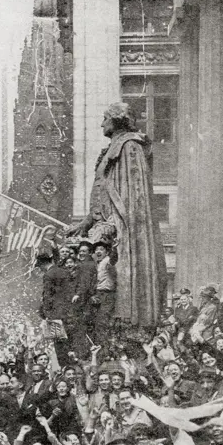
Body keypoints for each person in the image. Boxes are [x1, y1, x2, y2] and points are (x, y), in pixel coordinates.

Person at [67, 102, 167, 328]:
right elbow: (102, 189)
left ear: (116, 120)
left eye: (105, 118)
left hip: (121, 227)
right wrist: (87, 221)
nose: (102, 123)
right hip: (107, 223)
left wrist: (118, 224)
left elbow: (134, 196)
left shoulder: (130, 146)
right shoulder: (114, 147)